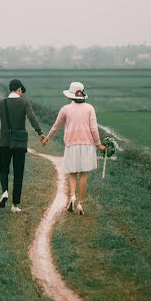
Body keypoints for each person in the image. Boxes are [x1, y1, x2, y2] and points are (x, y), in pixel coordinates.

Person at [0, 79, 45, 213]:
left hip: (4, 143)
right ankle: (15, 205)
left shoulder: (0, 104)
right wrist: (40, 133)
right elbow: (32, 118)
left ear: (10, 89)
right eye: (21, 91)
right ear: (19, 89)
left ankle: (4, 192)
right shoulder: (24, 103)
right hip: (19, 144)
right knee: (18, 173)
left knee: (4, 169)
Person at [41, 81, 107, 215]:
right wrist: (98, 144)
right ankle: (80, 204)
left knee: (72, 173)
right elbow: (94, 129)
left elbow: (56, 125)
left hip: (71, 144)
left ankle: (72, 196)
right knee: (83, 174)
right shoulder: (90, 108)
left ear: (71, 95)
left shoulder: (65, 109)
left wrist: (47, 138)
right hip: (87, 145)